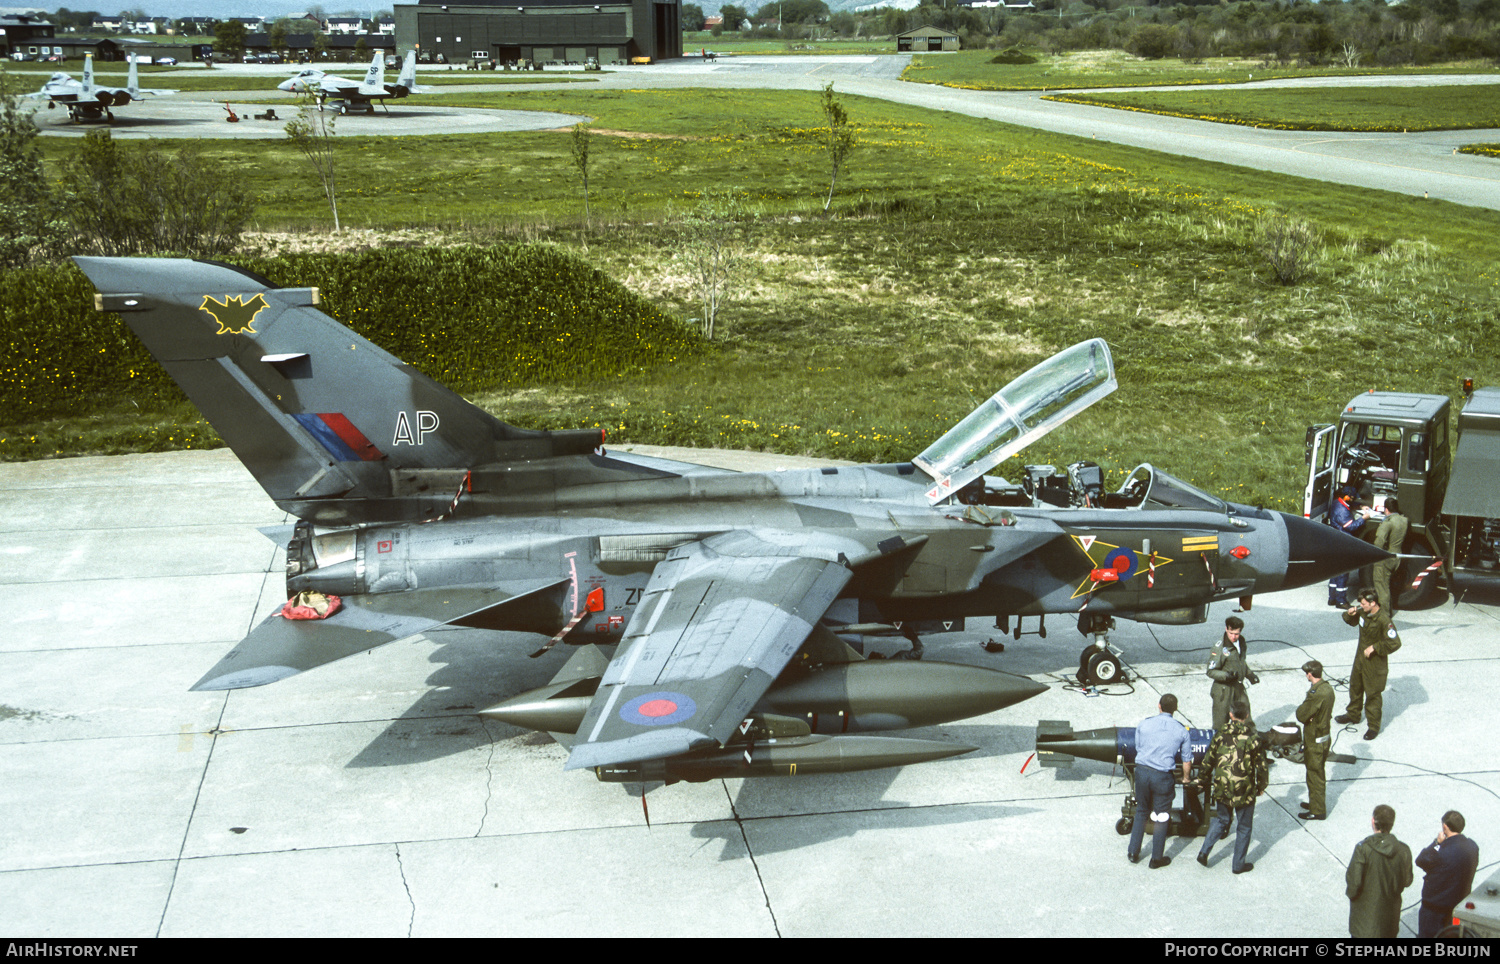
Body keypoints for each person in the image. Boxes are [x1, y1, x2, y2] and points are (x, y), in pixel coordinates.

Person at [1196, 698, 1266, 874]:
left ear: (1230, 714)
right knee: (1244, 827)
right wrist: (1261, 786)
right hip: (1244, 789)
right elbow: (1261, 766)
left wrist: (1202, 779)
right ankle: (1238, 865)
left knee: (1221, 819)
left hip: (1222, 786)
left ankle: (1204, 852)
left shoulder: (1220, 735)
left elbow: (1208, 760)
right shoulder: (1253, 738)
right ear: (1247, 716)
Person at [1127, 693, 1193, 870]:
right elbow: (1187, 760)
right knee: (1161, 815)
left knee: (1141, 810)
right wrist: (1186, 778)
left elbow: (1139, 747)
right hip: (1162, 777)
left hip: (1142, 772)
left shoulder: (1145, 723)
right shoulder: (1181, 731)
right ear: (1175, 709)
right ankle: (1156, 858)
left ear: (1159, 706)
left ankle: (1133, 852)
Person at [1337, 589, 1402, 740]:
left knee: (1372, 694)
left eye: (1364, 604)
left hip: (1375, 663)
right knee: (1355, 686)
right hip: (1360, 657)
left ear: (1373, 603)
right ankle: (1353, 714)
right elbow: (1350, 621)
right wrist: (1349, 613)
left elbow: (1395, 643)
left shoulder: (1384, 620)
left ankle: (1373, 726)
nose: (1361, 606)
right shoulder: (1363, 612)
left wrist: (1376, 647)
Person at [1347, 804, 1414, 938]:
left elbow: (1354, 883)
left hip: (1364, 925)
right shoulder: (1404, 850)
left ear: (1373, 821)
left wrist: (1353, 897)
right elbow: (1407, 881)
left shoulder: (1363, 849)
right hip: (1389, 923)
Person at [1415, 811, 1480, 938]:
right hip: (1457, 906)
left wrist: (1436, 843)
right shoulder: (1473, 846)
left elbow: (1421, 860)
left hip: (1434, 911)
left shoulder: (1440, 853)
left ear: (1445, 827)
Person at [1206, 616, 1259, 731]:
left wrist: (1249, 674)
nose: (1234, 637)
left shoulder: (1241, 642)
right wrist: (1226, 675)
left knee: (1247, 719)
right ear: (1226, 629)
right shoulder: (1219, 648)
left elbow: (1241, 662)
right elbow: (1210, 671)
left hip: (1238, 688)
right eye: (1231, 633)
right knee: (1220, 725)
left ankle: (1250, 744)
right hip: (1223, 691)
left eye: (1237, 634)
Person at [1297, 660, 1334, 821]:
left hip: (1314, 739)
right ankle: (1314, 802)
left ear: (1310, 674)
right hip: (1324, 736)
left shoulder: (1316, 694)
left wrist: (1308, 716)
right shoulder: (1327, 688)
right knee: (1317, 772)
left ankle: (1318, 810)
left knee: (1314, 774)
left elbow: (1301, 714)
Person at [1371, 498, 1409, 614]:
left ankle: (1384, 614)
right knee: (1387, 585)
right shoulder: (1404, 520)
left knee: (1382, 587)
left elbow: (1379, 543)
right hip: (1397, 556)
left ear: (1386, 509)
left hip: (1385, 557)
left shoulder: (1388, 523)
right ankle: (1388, 609)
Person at [1328, 486, 1363, 607]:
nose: (1353, 499)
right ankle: (1341, 601)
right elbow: (1351, 526)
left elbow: (1349, 505)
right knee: (1343, 572)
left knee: (1334, 571)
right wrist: (1364, 518)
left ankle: (1332, 598)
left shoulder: (1337, 503)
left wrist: (1358, 506)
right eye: (1352, 497)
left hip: (1335, 541)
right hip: (1342, 542)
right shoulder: (1342, 511)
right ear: (1346, 496)